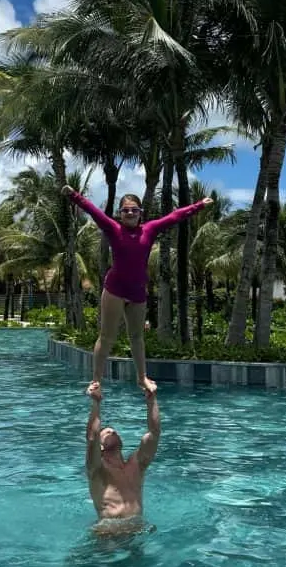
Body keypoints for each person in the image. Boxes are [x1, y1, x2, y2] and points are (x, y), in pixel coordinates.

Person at [63, 185, 212, 396]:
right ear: (120, 213)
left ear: (140, 213)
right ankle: (96, 380)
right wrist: (73, 196)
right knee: (107, 336)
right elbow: (92, 211)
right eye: (126, 210)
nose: (130, 213)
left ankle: (141, 377)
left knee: (136, 337)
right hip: (115, 289)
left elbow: (174, 216)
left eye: (134, 210)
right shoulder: (113, 228)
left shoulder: (149, 229)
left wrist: (198, 206)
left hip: (137, 291)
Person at [85, 384, 160, 532]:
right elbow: (92, 438)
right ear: (100, 447)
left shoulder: (137, 464)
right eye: (106, 432)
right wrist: (96, 403)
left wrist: (152, 399)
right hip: (108, 533)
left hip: (137, 530)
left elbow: (154, 433)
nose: (112, 431)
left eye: (114, 431)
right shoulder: (97, 469)